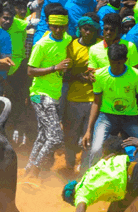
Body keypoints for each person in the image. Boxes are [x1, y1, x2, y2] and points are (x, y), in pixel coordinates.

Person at [57, 135, 138, 212]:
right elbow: (111, 155)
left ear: (74, 197)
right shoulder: (89, 173)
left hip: (133, 180)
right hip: (133, 170)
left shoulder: (82, 193)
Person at [24, 4, 72, 178]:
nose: (58, 30)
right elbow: (30, 71)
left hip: (53, 95)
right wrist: (55, 67)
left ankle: (28, 168)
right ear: (49, 25)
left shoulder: (67, 39)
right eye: (54, 26)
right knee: (55, 138)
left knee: (44, 136)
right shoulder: (41, 44)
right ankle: (35, 170)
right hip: (41, 95)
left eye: (61, 26)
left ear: (66, 25)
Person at [81, 44, 138, 168]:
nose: (115, 66)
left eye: (118, 63)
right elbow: (96, 102)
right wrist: (89, 130)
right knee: (96, 149)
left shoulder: (135, 75)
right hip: (107, 116)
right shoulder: (100, 75)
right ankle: (91, 178)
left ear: (125, 60)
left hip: (131, 117)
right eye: (112, 62)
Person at [63, 13, 101, 173]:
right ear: (79, 29)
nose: (88, 32)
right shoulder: (71, 47)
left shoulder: (102, 46)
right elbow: (64, 75)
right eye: (86, 29)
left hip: (95, 100)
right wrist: (79, 76)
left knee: (89, 135)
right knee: (71, 134)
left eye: (92, 30)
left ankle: (84, 168)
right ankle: (69, 163)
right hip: (74, 98)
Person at [0, 3, 30, 146]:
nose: (7, 21)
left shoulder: (22, 25)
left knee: (14, 106)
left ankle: (9, 139)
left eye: (10, 19)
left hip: (17, 70)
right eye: (4, 18)